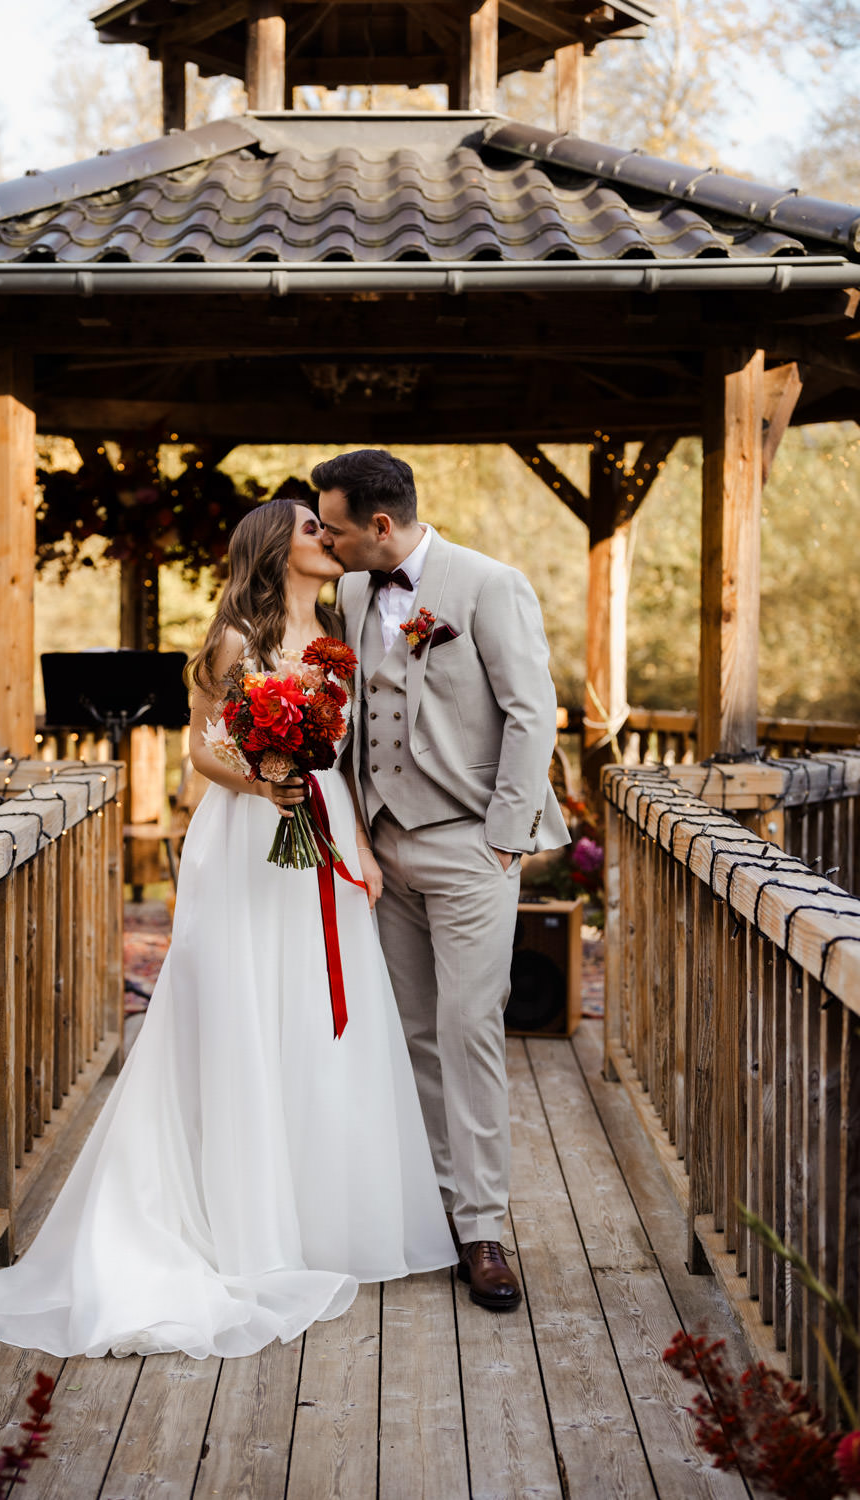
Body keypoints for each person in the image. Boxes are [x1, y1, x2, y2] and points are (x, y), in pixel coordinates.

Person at [0, 498, 456, 1360]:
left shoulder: (345, 632)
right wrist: (259, 781)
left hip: (328, 826)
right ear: (275, 548)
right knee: (243, 1007)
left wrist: (365, 849)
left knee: (320, 1010)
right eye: (311, 529)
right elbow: (198, 748)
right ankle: (239, 1215)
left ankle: (328, 1216)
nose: (326, 539)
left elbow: (354, 750)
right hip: (248, 834)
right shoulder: (236, 639)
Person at [314, 450, 570, 1311]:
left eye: (336, 527)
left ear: (381, 524)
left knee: (469, 1032)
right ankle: (435, 1210)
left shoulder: (490, 585)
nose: (327, 539)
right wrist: (355, 825)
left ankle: (486, 1229)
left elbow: (535, 711)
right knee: (414, 1034)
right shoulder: (352, 593)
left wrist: (504, 841)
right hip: (384, 850)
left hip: (470, 851)